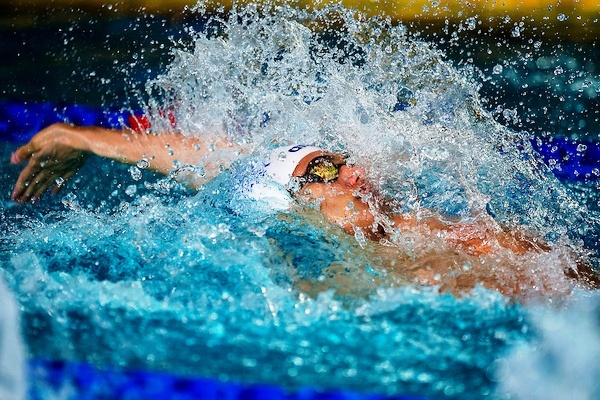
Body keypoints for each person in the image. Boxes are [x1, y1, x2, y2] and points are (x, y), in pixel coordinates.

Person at [9, 122, 599, 296]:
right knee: (440, 250)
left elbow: (201, 157)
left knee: (425, 264)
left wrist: (81, 138)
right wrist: (80, 138)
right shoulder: (255, 187)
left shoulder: (246, 195)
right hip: (304, 169)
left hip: (300, 173)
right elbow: (200, 155)